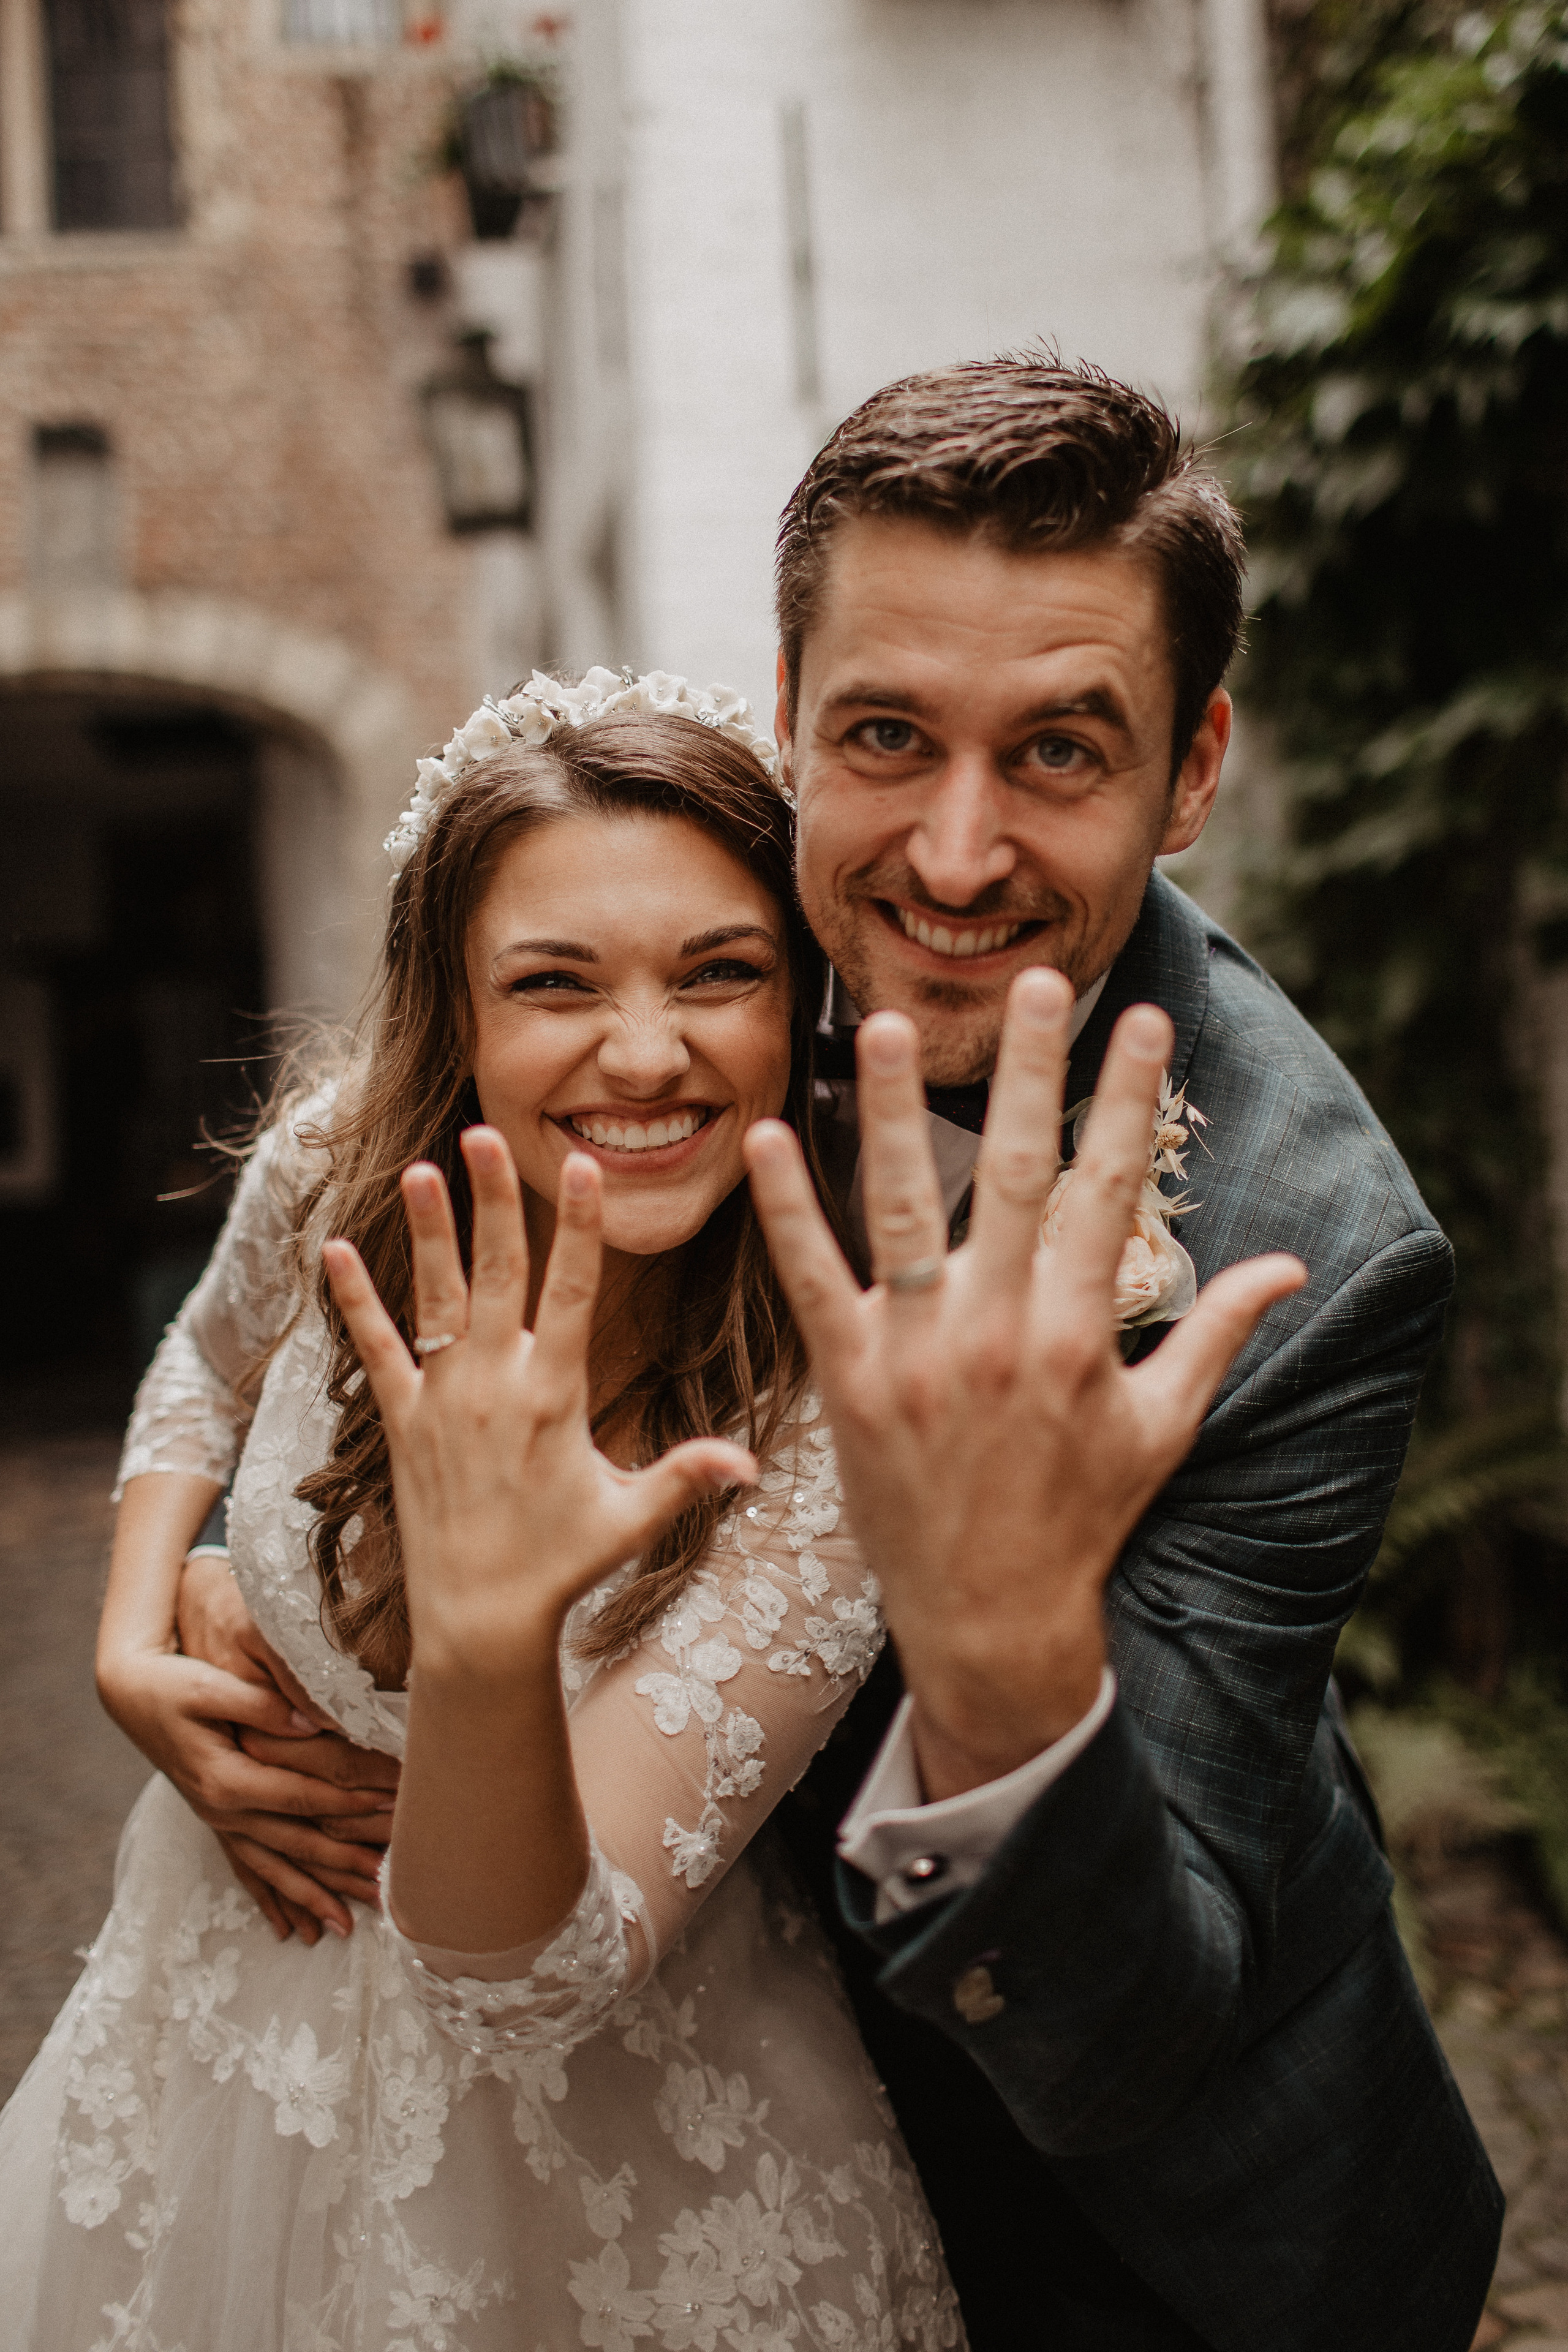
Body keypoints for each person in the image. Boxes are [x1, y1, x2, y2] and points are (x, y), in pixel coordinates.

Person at [134, 359, 1501, 2349]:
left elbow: (1137, 2022)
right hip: (647, 2062)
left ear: (1194, 768)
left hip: (1131, 2221)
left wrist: (1012, 1650)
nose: (953, 861)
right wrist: (158, 1609)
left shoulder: (1311, 1256)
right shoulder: (670, 942)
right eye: (884, 736)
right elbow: (295, 1262)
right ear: (785, 720)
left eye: (1059, 753)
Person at [0, 679, 988, 2350]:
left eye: (720, 972)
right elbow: (199, 1366)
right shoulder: (341, 1171)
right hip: (210, 2037)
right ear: (453, 1015)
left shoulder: (841, 1399)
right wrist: (134, 1631)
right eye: (554, 984)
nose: (648, 1052)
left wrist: (488, 1634)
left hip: (608, 2170)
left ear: (802, 993)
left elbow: (538, 1978)